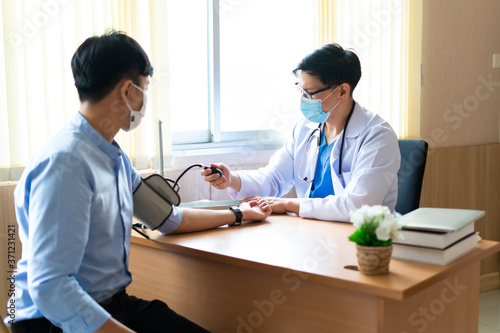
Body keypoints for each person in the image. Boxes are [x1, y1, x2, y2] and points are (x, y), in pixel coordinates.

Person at [5, 31, 271, 333]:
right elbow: (51, 288)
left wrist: (239, 214)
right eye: (144, 89)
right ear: (128, 91)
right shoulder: (66, 165)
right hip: (53, 320)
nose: (144, 101)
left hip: (110, 304)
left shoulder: (113, 157)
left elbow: (166, 218)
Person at [202, 43, 400, 222]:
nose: (304, 99)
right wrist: (232, 179)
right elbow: (275, 177)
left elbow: (357, 207)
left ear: (342, 91)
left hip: (359, 237)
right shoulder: (306, 128)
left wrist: (289, 204)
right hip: (310, 229)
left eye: (310, 93)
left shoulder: (377, 136)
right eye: (301, 91)